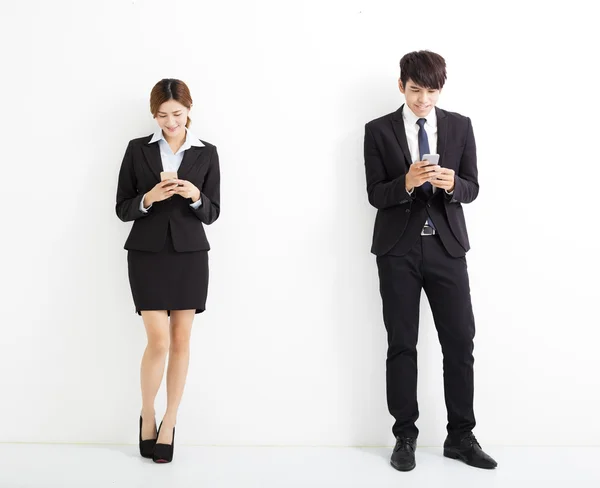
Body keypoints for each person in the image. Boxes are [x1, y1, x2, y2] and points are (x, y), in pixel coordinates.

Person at [363, 51, 497, 471]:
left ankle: (461, 435)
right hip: (397, 250)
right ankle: (405, 434)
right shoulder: (377, 130)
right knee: (402, 343)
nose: (423, 100)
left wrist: (453, 183)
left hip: (447, 248)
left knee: (460, 341)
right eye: (415, 90)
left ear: (442, 88)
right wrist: (405, 182)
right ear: (401, 85)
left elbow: (473, 187)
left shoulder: (459, 126)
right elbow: (374, 193)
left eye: (431, 91)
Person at [115, 78, 220, 463]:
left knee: (181, 342)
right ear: (153, 114)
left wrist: (194, 195)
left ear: (189, 110)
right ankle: (147, 414)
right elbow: (122, 207)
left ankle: (170, 421)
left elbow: (213, 212)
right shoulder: (137, 150)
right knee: (158, 341)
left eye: (177, 114)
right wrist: (148, 198)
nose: (170, 122)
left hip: (190, 255)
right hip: (146, 254)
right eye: (162, 115)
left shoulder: (207, 153)